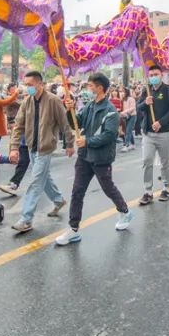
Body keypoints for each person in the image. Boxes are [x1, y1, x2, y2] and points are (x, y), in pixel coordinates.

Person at [55, 72, 133, 245]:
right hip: (84, 157)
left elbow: (109, 136)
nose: (88, 89)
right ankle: (73, 229)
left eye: (91, 86)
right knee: (77, 191)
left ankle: (125, 211)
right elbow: (78, 122)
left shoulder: (111, 111)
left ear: (100, 88)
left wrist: (87, 141)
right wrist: (70, 110)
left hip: (101, 158)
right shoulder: (89, 106)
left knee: (108, 188)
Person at [7, 70, 74, 233]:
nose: (27, 87)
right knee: (44, 177)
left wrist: (70, 144)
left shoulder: (53, 100)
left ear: (40, 84)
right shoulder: (27, 101)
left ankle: (26, 219)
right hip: (32, 146)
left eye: (30, 84)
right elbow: (18, 125)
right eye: (26, 84)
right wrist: (14, 147)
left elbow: (64, 123)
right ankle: (58, 200)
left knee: (35, 182)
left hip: (46, 147)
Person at [138, 64, 169, 205]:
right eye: (151, 75)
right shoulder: (146, 90)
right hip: (148, 134)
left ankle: (166, 188)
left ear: (161, 75)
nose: (154, 77)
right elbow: (138, 108)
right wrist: (145, 102)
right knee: (147, 161)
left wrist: (161, 122)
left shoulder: (168, 91)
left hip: (164, 133)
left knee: (165, 162)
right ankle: (148, 191)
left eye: (156, 74)